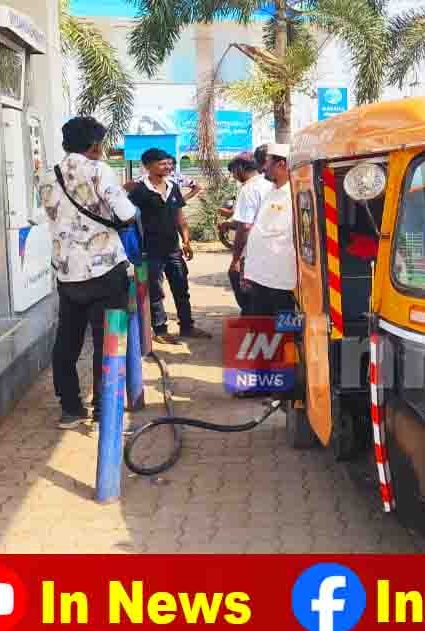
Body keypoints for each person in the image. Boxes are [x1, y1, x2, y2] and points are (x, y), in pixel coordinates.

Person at [39, 116, 137, 429]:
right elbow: (126, 213)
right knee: (108, 340)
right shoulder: (99, 169)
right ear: (94, 144)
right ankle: (104, 410)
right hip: (105, 269)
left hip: (67, 272)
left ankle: (70, 409)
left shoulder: (47, 175)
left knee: (67, 341)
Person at [125, 148, 212, 343]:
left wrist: (186, 241)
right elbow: (127, 218)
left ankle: (187, 326)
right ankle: (160, 330)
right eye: (162, 163)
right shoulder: (139, 191)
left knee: (181, 287)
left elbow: (180, 217)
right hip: (150, 250)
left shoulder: (173, 187)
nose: (168, 166)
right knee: (155, 291)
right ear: (148, 166)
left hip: (173, 248)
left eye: (169, 163)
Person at [241, 143, 297, 315]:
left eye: (267, 162)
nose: (263, 168)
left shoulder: (294, 193)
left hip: (281, 280)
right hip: (261, 276)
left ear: (281, 164)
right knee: (262, 323)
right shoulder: (271, 190)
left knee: (285, 323)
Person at [219, 152, 273, 310]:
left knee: (244, 289)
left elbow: (245, 226)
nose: (234, 176)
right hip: (271, 250)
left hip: (252, 252)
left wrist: (236, 259)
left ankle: (251, 316)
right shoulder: (270, 184)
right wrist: (230, 224)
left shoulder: (249, 189)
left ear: (240, 168)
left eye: (233, 171)